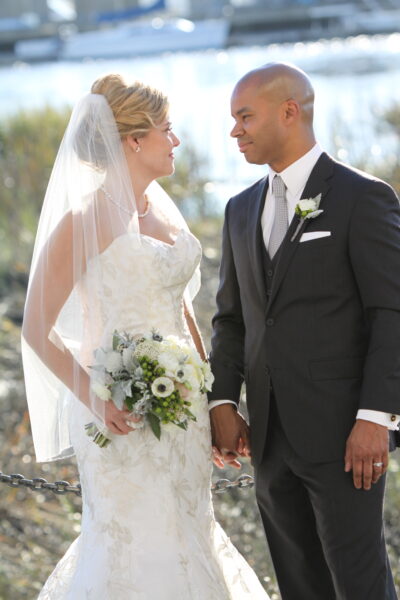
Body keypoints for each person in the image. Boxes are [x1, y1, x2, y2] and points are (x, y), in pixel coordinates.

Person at [22, 74, 269, 599]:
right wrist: (95, 396)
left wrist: (213, 406)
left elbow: (181, 312)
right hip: (120, 419)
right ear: (134, 140)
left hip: (181, 419)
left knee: (189, 530)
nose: (175, 141)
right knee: (134, 547)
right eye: (168, 130)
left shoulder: (160, 208)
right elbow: (36, 328)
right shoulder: (84, 220)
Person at [209, 62, 400, 600]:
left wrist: (375, 418)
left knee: (360, 585)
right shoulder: (238, 209)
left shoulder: (363, 197)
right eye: (233, 119)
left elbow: (392, 313)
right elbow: (233, 317)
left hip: (346, 438)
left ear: (289, 112)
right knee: (300, 588)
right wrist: (222, 400)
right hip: (268, 443)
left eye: (245, 116)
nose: (235, 130)